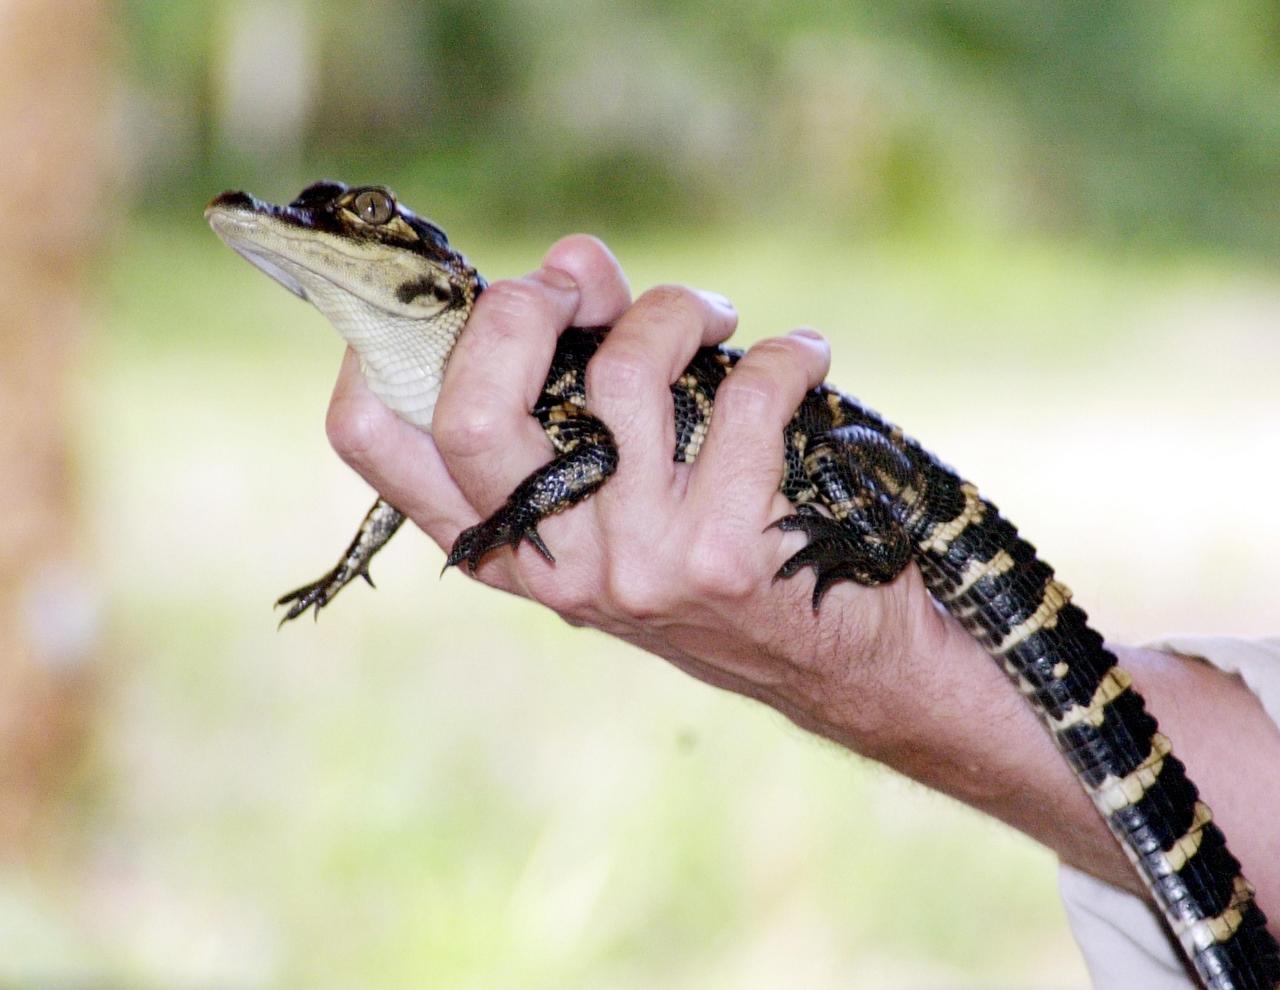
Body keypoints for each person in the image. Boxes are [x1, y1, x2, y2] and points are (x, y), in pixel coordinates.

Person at [322, 234, 1280, 987]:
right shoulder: (488, 389)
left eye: (361, 216)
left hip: (881, 483)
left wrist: (879, 641)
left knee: (830, 470)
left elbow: (595, 456)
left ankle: (873, 543)